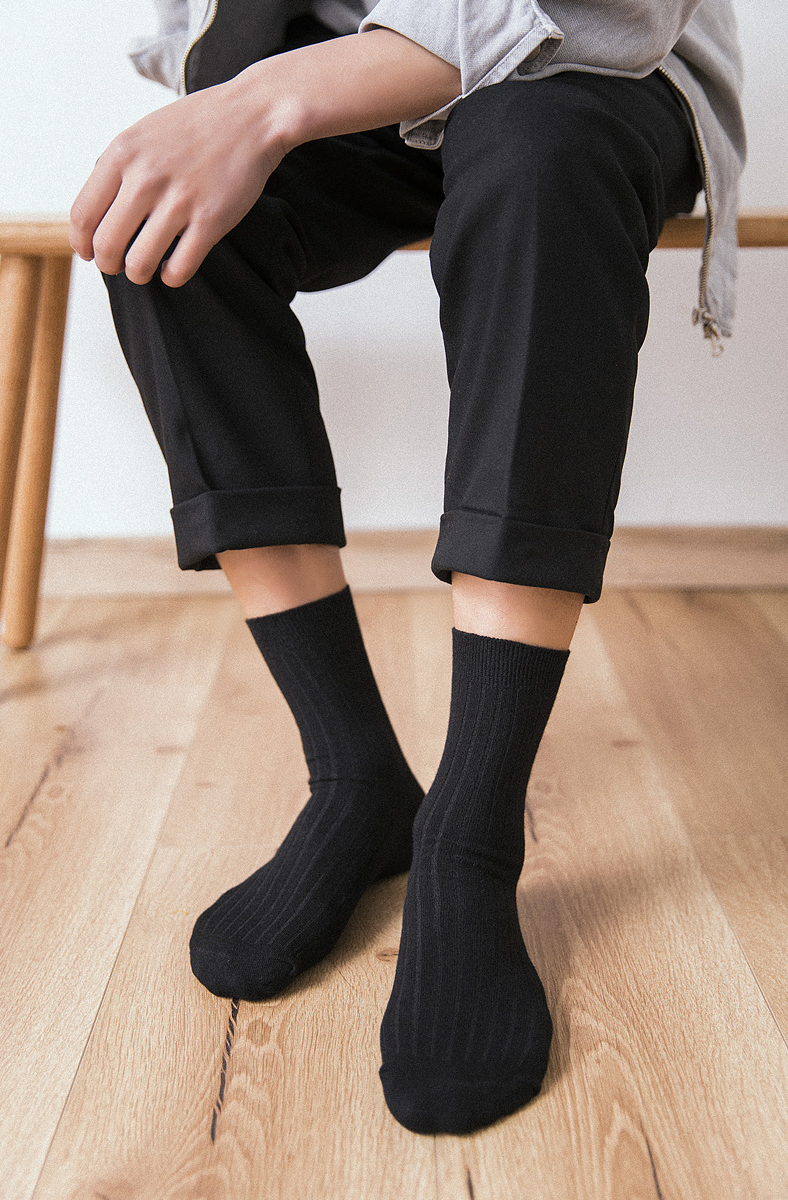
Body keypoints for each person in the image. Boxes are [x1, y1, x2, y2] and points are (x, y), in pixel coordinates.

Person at [70, 0, 745, 1136]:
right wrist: (234, 96)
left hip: (593, 67)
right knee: (164, 236)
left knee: (537, 150)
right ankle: (355, 779)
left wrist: (264, 103)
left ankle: (468, 837)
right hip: (355, 85)